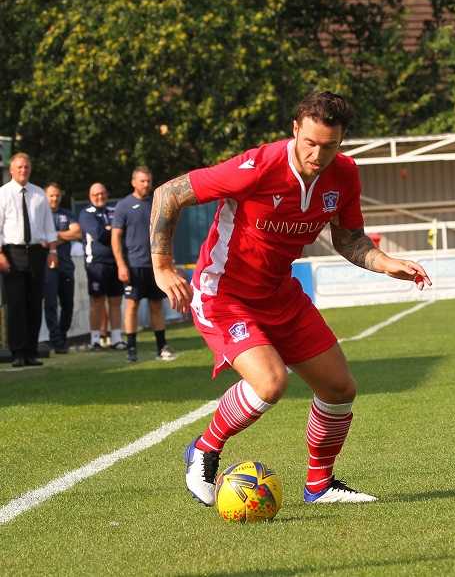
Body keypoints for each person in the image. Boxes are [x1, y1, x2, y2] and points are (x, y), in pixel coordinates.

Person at [150, 91, 432, 507]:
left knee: (339, 388)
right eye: (310, 143)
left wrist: (384, 261)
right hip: (223, 294)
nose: (318, 155)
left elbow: (350, 240)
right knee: (270, 382)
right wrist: (162, 266)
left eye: (330, 146)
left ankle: (320, 485)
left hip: (280, 293)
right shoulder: (255, 167)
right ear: (295, 130)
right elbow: (168, 194)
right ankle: (205, 449)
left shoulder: (344, 175)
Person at [111, 166, 177, 363]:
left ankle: (161, 346)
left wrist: (169, 261)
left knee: (156, 305)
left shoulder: (156, 203)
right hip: (134, 264)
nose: (146, 184)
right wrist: (121, 265)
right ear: (133, 182)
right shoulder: (123, 205)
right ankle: (131, 347)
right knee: (132, 304)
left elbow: (167, 233)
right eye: (142, 181)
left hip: (156, 264)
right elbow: (115, 237)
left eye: (148, 180)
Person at [0, 153, 58, 367]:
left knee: (34, 303)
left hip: (35, 252)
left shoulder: (39, 194)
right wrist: (0, 255)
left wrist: (53, 251)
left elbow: (48, 227)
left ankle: (31, 352)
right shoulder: (3, 194)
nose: (23, 170)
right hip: (12, 252)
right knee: (16, 304)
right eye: (19, 167)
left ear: (30, 169)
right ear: (12, 169)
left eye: (26, 167)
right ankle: (17, 353)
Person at [78, 183, 126, 351]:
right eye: (96, 194)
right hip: (96, 263)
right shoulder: (86, 213)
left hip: (116, 262)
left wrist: (110, 230)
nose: (100, 197)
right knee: (98, 301)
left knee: (116, 301)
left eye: (102, 193)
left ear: (106, 194)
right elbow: (99, 235)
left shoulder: (114, 211)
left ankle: (116, 339)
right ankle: (96, 340)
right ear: (90, 196)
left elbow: (124, 232)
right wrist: (114, 231)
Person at [43, 182, 82, 354]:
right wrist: (65, 236)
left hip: (66, 265)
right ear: (45, 196)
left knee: (68, 304)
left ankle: (63, 336)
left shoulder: (67, 214)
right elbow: (42, 240)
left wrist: (54, 236)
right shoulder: (40, 214)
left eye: (57, 195)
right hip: (48, 266)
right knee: (50, 303)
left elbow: (78, 233)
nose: (54, 198)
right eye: (51, 195)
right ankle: (56, 340)